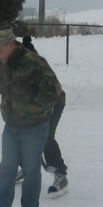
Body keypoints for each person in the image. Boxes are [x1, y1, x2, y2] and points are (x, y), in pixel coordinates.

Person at [0, 29, 62, 207]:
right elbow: (3, 87)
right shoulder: (4, 64)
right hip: (11, 126)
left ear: (10, 45)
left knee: (30, 171)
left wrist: (31, 111)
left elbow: (53, 91)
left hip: (34, 127)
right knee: (7, 170)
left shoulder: (34, 62)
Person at [18, 35, 69, 196]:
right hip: (32, 105)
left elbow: (49, 92)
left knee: (46, 136)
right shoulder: (15, 65)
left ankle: (60, 174)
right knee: (22, 135)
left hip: (53, 102)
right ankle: (26, 168)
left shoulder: (37, 66)